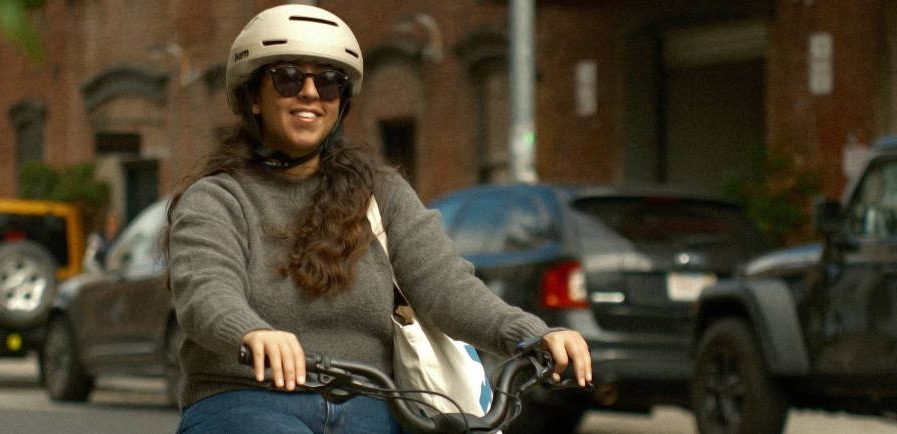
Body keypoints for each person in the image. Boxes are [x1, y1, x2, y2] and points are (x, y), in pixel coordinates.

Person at [164, 5, 592, 433]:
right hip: (246, 400)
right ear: (254, 97)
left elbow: (446, 285)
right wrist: (251, 332)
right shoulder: (217, 199)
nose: (310, 93)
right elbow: (206, 290)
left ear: (341, 102)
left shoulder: (380, 192)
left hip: (372, 403)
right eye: (288, 78)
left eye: (329, 83)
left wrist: (530, 334)